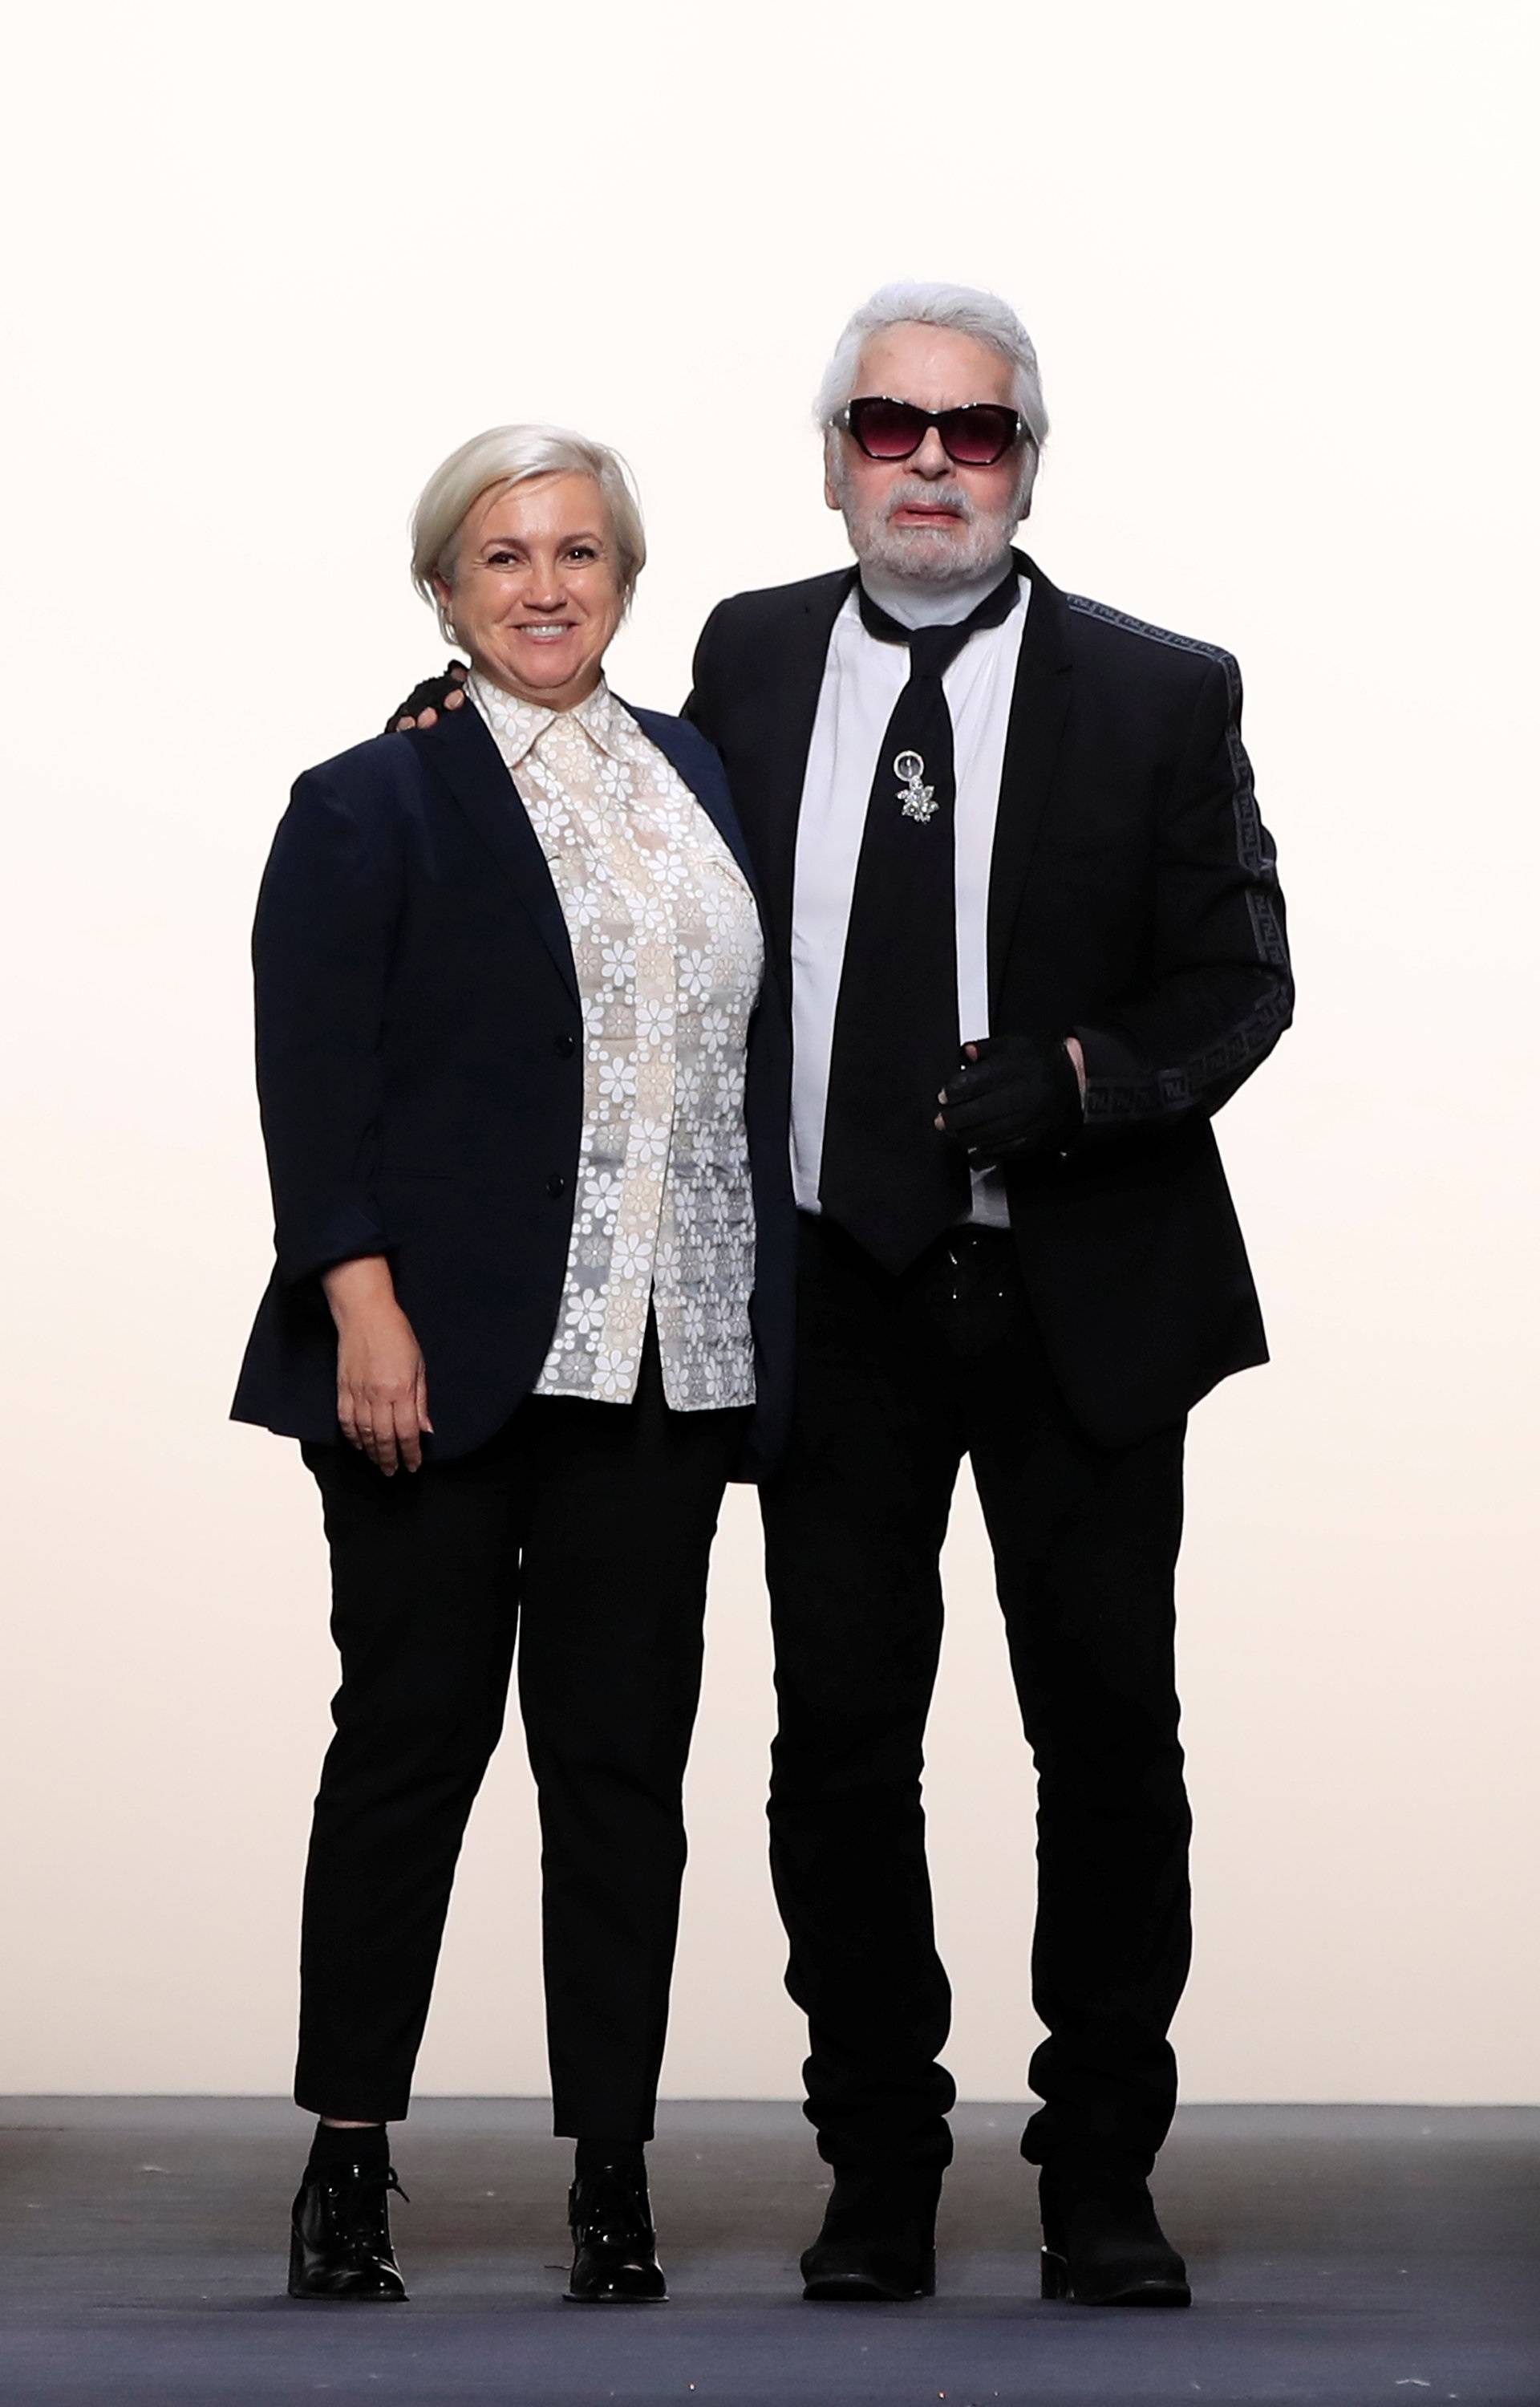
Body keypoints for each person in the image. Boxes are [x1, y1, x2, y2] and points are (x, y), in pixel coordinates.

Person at [391, 282, 1293, 2311]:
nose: (931, 467)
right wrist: (457, 734)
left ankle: (1098, 2173)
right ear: (833, 460)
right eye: (892, 428)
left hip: (1075, 1292)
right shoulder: (753, 652)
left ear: (1027, 466)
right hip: (838, 1295)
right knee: (834, 1752)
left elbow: (1242, 981)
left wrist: (1077, 1085)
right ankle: (874, 2160)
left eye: (975, 434)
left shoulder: (1161, 691)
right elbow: (605, 803)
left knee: (1109, 1745)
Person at [233, 424, 793, 2306]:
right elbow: (317, 1087)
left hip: (664, 1359)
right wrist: (362, 1308)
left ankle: (611, 2176)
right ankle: (347, 2160)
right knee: (411, 1750)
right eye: (502, 557)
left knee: (623, 1771)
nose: (545, 585)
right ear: (444, 590)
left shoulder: (702, 775)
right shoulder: (365, 802)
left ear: (626, 580)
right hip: (441, 1362)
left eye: (577, 552)